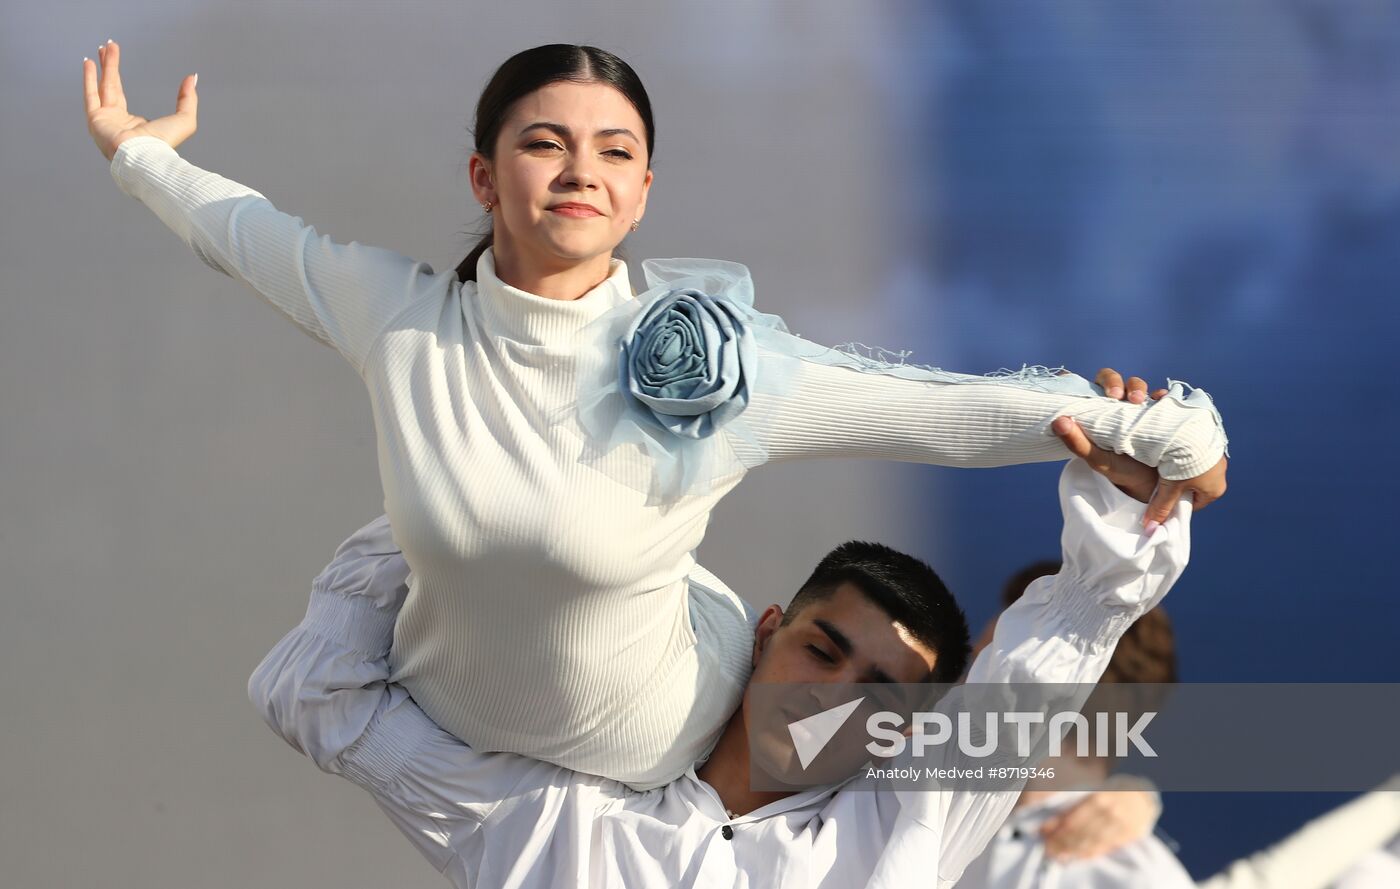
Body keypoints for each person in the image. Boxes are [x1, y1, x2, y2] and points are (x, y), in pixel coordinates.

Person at [85, 39, 1230, 788]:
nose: (578, 169)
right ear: (484, 178)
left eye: (613, 152)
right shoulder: (397, 316)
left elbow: (942, 407)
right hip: (460, 739)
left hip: (673, 750)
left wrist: (1177, 434)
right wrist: (139, 153)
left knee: (933, 794)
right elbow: (244, 232)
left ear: (640, 194)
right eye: (543, 143)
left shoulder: (730, 369)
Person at [248, 418, 1194, 888]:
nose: (833, 698)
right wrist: (451, 518)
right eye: (824, 649)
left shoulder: (901, 835)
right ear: (765, 629)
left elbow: (1046, 656)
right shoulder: (556, 819)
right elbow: (316, 694)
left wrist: (1131, 504)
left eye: (880, 694)